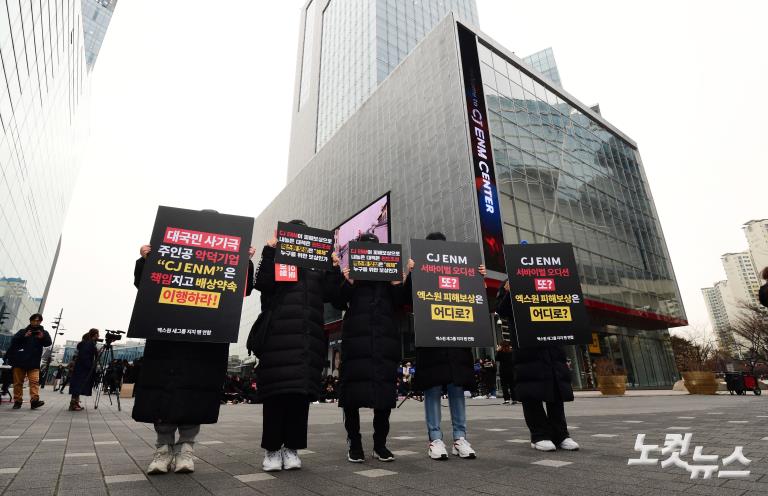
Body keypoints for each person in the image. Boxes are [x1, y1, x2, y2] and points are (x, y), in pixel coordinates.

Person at [133, 241, 257, 475]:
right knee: (164, 393)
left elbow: (244, 289)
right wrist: (145, 260)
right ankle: (163, 449)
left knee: (195, 394)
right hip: (168, 336)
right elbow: (145, 284)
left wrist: (245, 263)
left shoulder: (227, 265)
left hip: (206, 341)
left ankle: (186, 448)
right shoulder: (170, 258)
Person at [254, 220, 343, 472]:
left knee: (299, 396)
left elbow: (333, 296)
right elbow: (262, 283)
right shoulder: (277, 259)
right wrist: (270, 250)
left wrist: (334, 268)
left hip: (308, 340)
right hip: (277, 339)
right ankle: (272, 450)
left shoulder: (317, 266)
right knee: (275, 395)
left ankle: (291, 449)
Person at [406, 232, 485, 460]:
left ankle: (460, 438)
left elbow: (474, 297)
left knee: (456, 389)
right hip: (431, 342)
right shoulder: (419, 270)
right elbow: (403, 298)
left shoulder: (461, 267)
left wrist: (477, 276)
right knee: (432, 390)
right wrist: (411, 274)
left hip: (457, 343)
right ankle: (435, 439)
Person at [334, 232, 408, 463]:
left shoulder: (389, 276)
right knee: (351, 397)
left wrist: (399, 284)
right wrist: (348, 283)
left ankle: (380, 445)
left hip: (384, 343)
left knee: (384, 397)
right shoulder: (351, 276)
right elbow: (337, 301)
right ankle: (354, 443)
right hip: (356, 343)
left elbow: (401, 302)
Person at [496, 280, 579, 452]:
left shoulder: (550, 280)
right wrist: (509, 291)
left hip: (552, 346)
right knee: (532, 392)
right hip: (527, 349)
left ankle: (561, 434)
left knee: (556, 391)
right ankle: (539, 435)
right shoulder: (508, 283)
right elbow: (501, 310)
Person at [6, 314, 51, 409]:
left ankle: (34, 401)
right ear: (30, 321)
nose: (36, 322)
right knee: (18, 383)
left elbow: (48, 342)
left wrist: (42, 337)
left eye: (38, 321)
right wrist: (24, 336)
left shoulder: (43, 332)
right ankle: (17, 401)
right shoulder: (23, 331)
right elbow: (14, 341)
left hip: (34, 362)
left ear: (41, 322)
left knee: (34, 382)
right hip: (19, 361)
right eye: (34, 320)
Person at [68, 329, 99, 411]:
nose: (98, 336)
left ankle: (75, 403)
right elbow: (84, 356)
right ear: (95, 335)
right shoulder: (88, 344)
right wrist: (90, 366)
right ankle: (73, 404)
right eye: (97, 334)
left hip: (81, 368)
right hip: (82, 369)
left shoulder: (87, 343)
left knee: (78, 386)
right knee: (78, 386)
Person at [496, 341, 517, 405]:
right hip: (511, 371)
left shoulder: (500, 352)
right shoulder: (511, 352)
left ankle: (507, 400)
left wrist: (497, 350)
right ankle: (514, 399)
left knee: (504, 386)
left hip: (503, 371)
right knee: (512, 386)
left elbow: (496, 359)